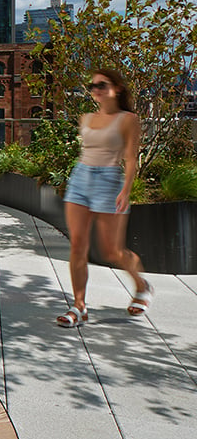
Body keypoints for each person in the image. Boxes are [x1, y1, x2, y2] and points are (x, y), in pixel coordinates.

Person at [56, 69, 151, 327]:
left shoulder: (128, 119)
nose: (95, 89)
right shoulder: (85, 117)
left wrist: (126, 189)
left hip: (109, 181)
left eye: (101, 84)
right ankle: (79, 306)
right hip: (80, 178)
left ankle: (142, 285)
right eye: (92, 85)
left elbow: (131, 158)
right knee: (77, 244)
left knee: (112, 251)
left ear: (117, 88)